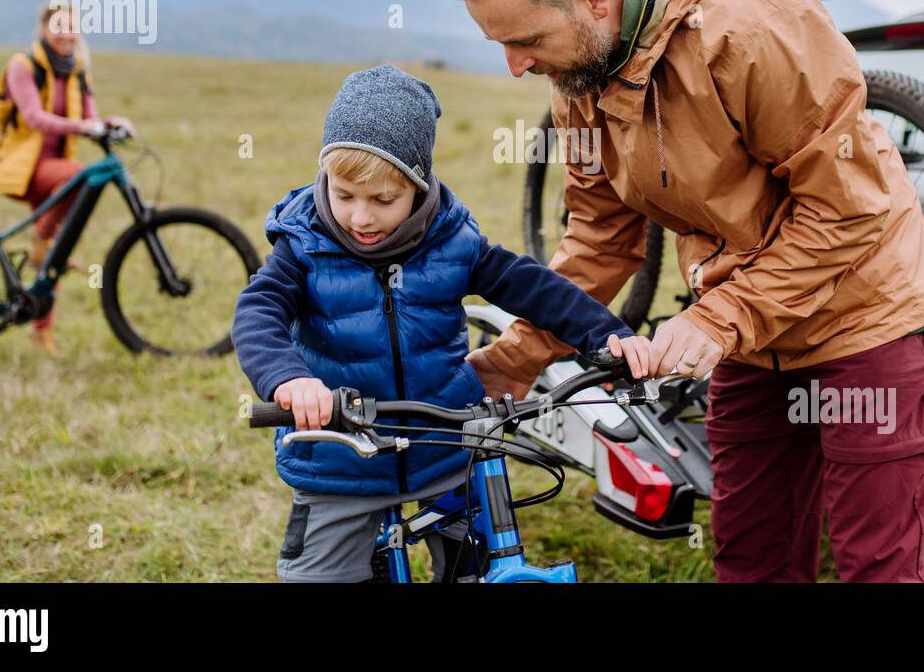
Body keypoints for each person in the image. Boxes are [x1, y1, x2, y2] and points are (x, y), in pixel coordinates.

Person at [445, 0, 924, 583]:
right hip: (750, 336)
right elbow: (599, 241)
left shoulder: (758, 34)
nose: (515, 66)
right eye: (500, 43)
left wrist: (720, 316)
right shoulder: (579, 80)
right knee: (752, 559)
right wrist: (519, 355)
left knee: (880, 567)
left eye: (526, 40)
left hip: (864, 321)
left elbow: (850, 213)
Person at [231, 64, 652, 582]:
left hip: (443, 445)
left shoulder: (453, 242)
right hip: (340, 458)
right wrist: (290, 380)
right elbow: (258, 312)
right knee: (322, 575)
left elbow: (533, 287)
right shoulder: (302, 245)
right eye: (344, 196)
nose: (360, 217)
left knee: (474, 564)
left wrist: (605, 335)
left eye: (383, 200)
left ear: (418, 186)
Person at [0, 0, 135, 352]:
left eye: (71, 26)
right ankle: (41, 243)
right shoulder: (23, 66)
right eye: (59, 26)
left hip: (54, 169)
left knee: (54, 253)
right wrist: (83, 126)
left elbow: (91, 117)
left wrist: (112, 125)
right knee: (82, 180)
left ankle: (42, 331)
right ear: (44, 29)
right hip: (22, 165)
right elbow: (34, 117)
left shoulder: (78, 69)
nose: (66, 33)